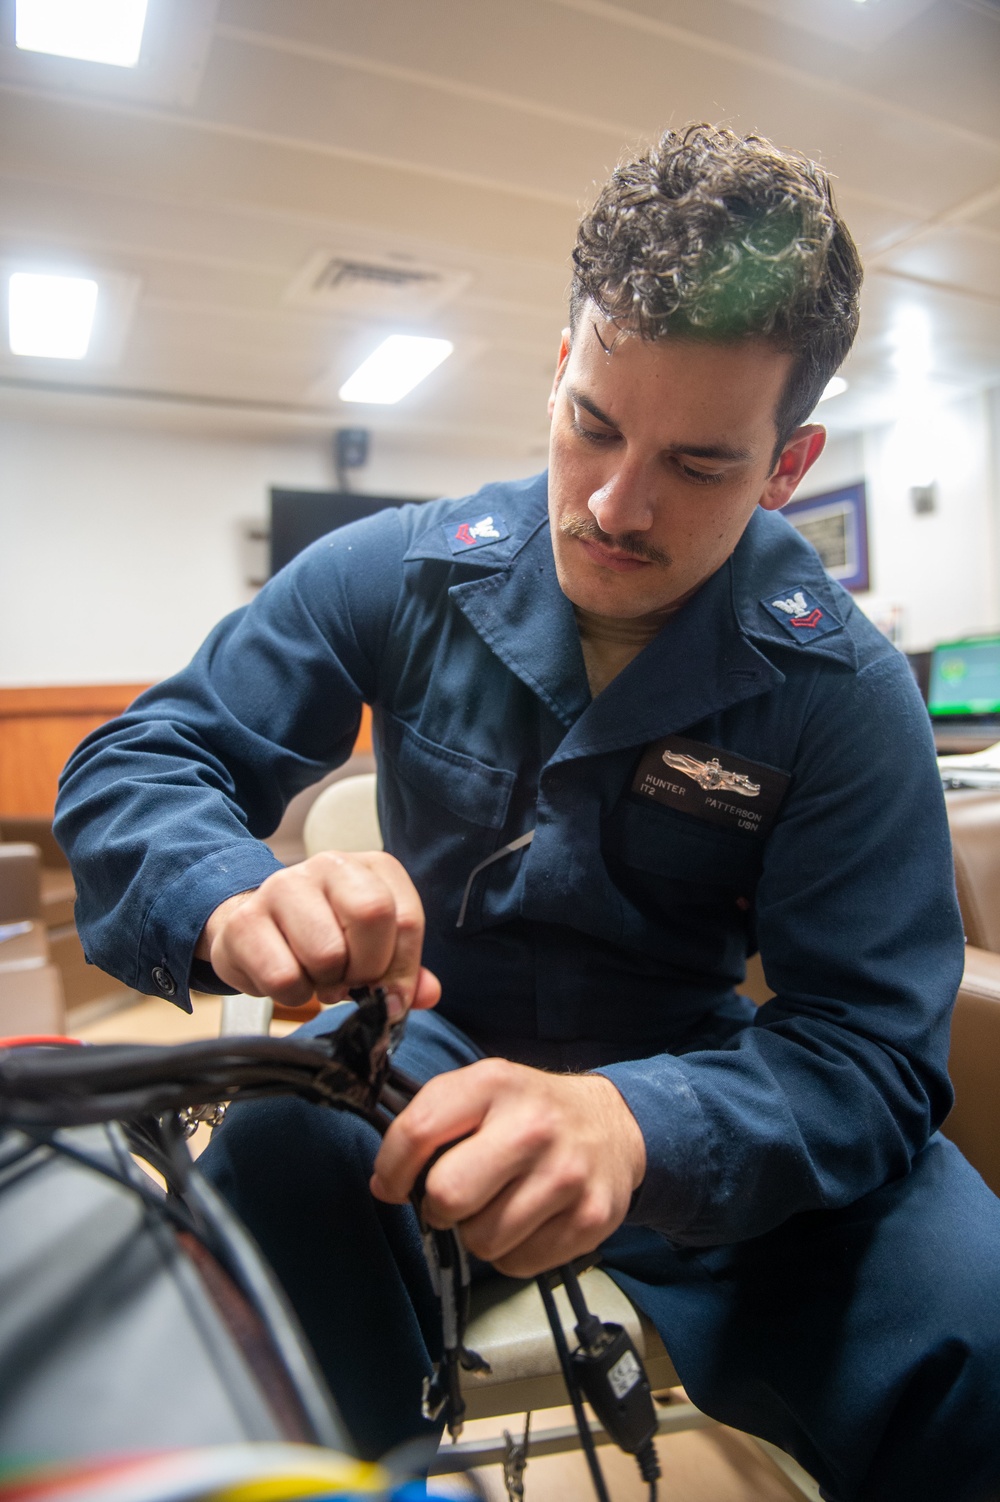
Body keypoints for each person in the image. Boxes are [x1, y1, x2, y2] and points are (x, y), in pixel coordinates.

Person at [55, 125, 1000, 1501]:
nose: (618, 505)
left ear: (787, 465)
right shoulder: (398, 573)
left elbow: (867, 1050)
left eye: (699, 463)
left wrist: (638, 1128)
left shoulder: (840, 684)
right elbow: (140, 760)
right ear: (561, 370)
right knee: (255, 1202)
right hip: (419, 1062)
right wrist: (231, 898)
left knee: (977, 1312)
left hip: (705, 1096)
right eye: (594, 426)